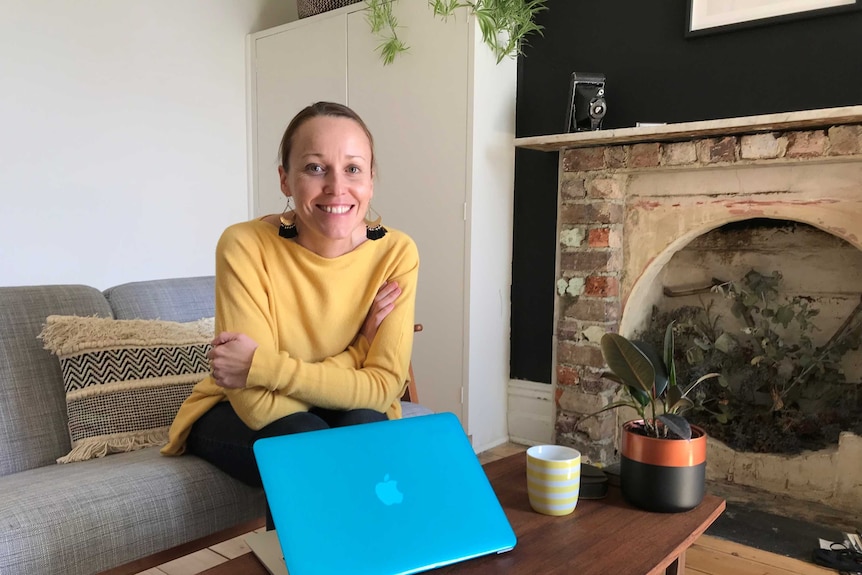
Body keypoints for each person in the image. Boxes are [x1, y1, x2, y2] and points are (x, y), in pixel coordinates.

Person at [161, 102, 419, 527]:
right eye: (315, 168)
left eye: (353, 169)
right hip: (231, 411)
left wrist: (260, 365)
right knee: (305, 440)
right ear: (285, 178)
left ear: (372, 180)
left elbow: (385, 389)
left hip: (303, 401)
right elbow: (258, 403)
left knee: (366, 426)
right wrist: (358, 355)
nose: (337, 188)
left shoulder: (396, 252)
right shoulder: (245, 245)